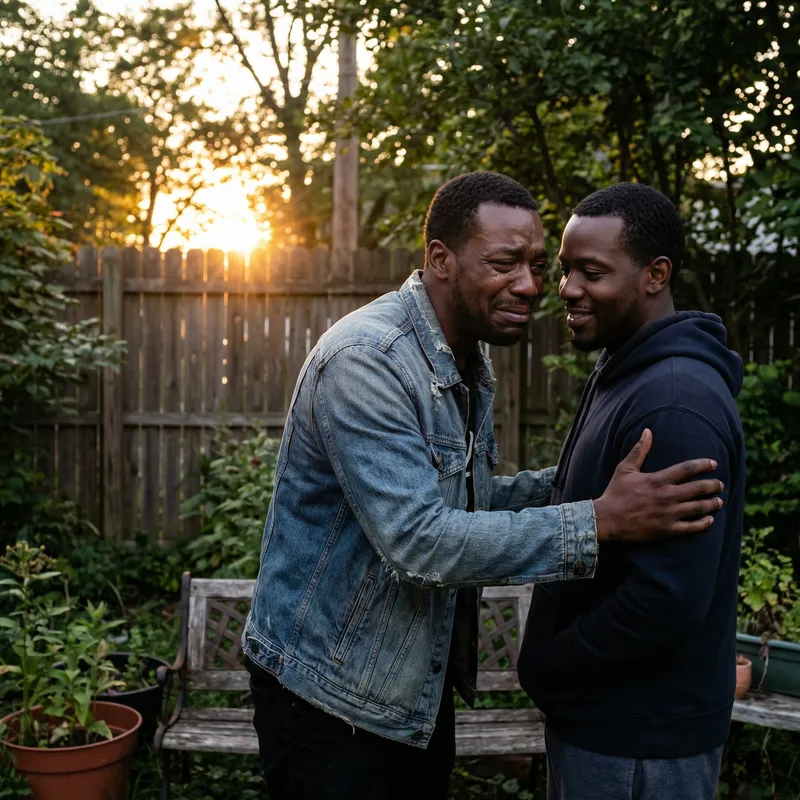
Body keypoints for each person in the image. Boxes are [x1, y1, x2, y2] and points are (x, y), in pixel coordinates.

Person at [241, 172, 725, 800]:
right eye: (504, 263)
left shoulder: (461, 353)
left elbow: (462, 502)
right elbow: (420, 541)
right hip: (331, 696)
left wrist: (576, 486)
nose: (530, 285)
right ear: (440, 259)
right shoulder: (369, 360)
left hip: (406, 689)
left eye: (531, 263)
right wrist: (597, 520)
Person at [518, 182, 745, 800]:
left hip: (638, 741)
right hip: (605, 726)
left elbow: (667, 598)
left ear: (655, 275)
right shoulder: (625, 372)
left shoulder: (674, 405)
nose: (566, 289)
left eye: (592, 272)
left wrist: (553, 663)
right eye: (566, 270)